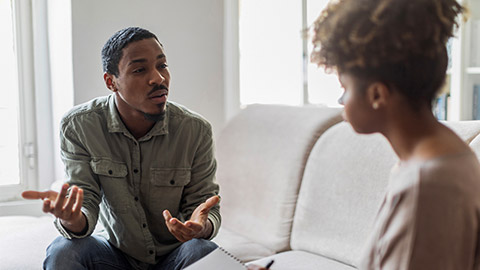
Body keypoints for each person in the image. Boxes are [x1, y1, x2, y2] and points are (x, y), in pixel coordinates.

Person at [251, 0, 480, 269]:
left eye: (344, 87)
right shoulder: (441, 156)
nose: (341, 100)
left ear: (377, 95)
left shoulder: (425, 186)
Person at [22, 26, 221, 270]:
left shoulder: (196, 130)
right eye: (139, 70)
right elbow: (85, 197)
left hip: (174, 257)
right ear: (111, 81)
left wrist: (202, 226)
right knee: (64, 250)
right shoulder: (79, 125)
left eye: (162, 65)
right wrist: (73, 220)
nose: (158, 78)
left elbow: (204, 205)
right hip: (114, 256)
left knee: (204, 251)